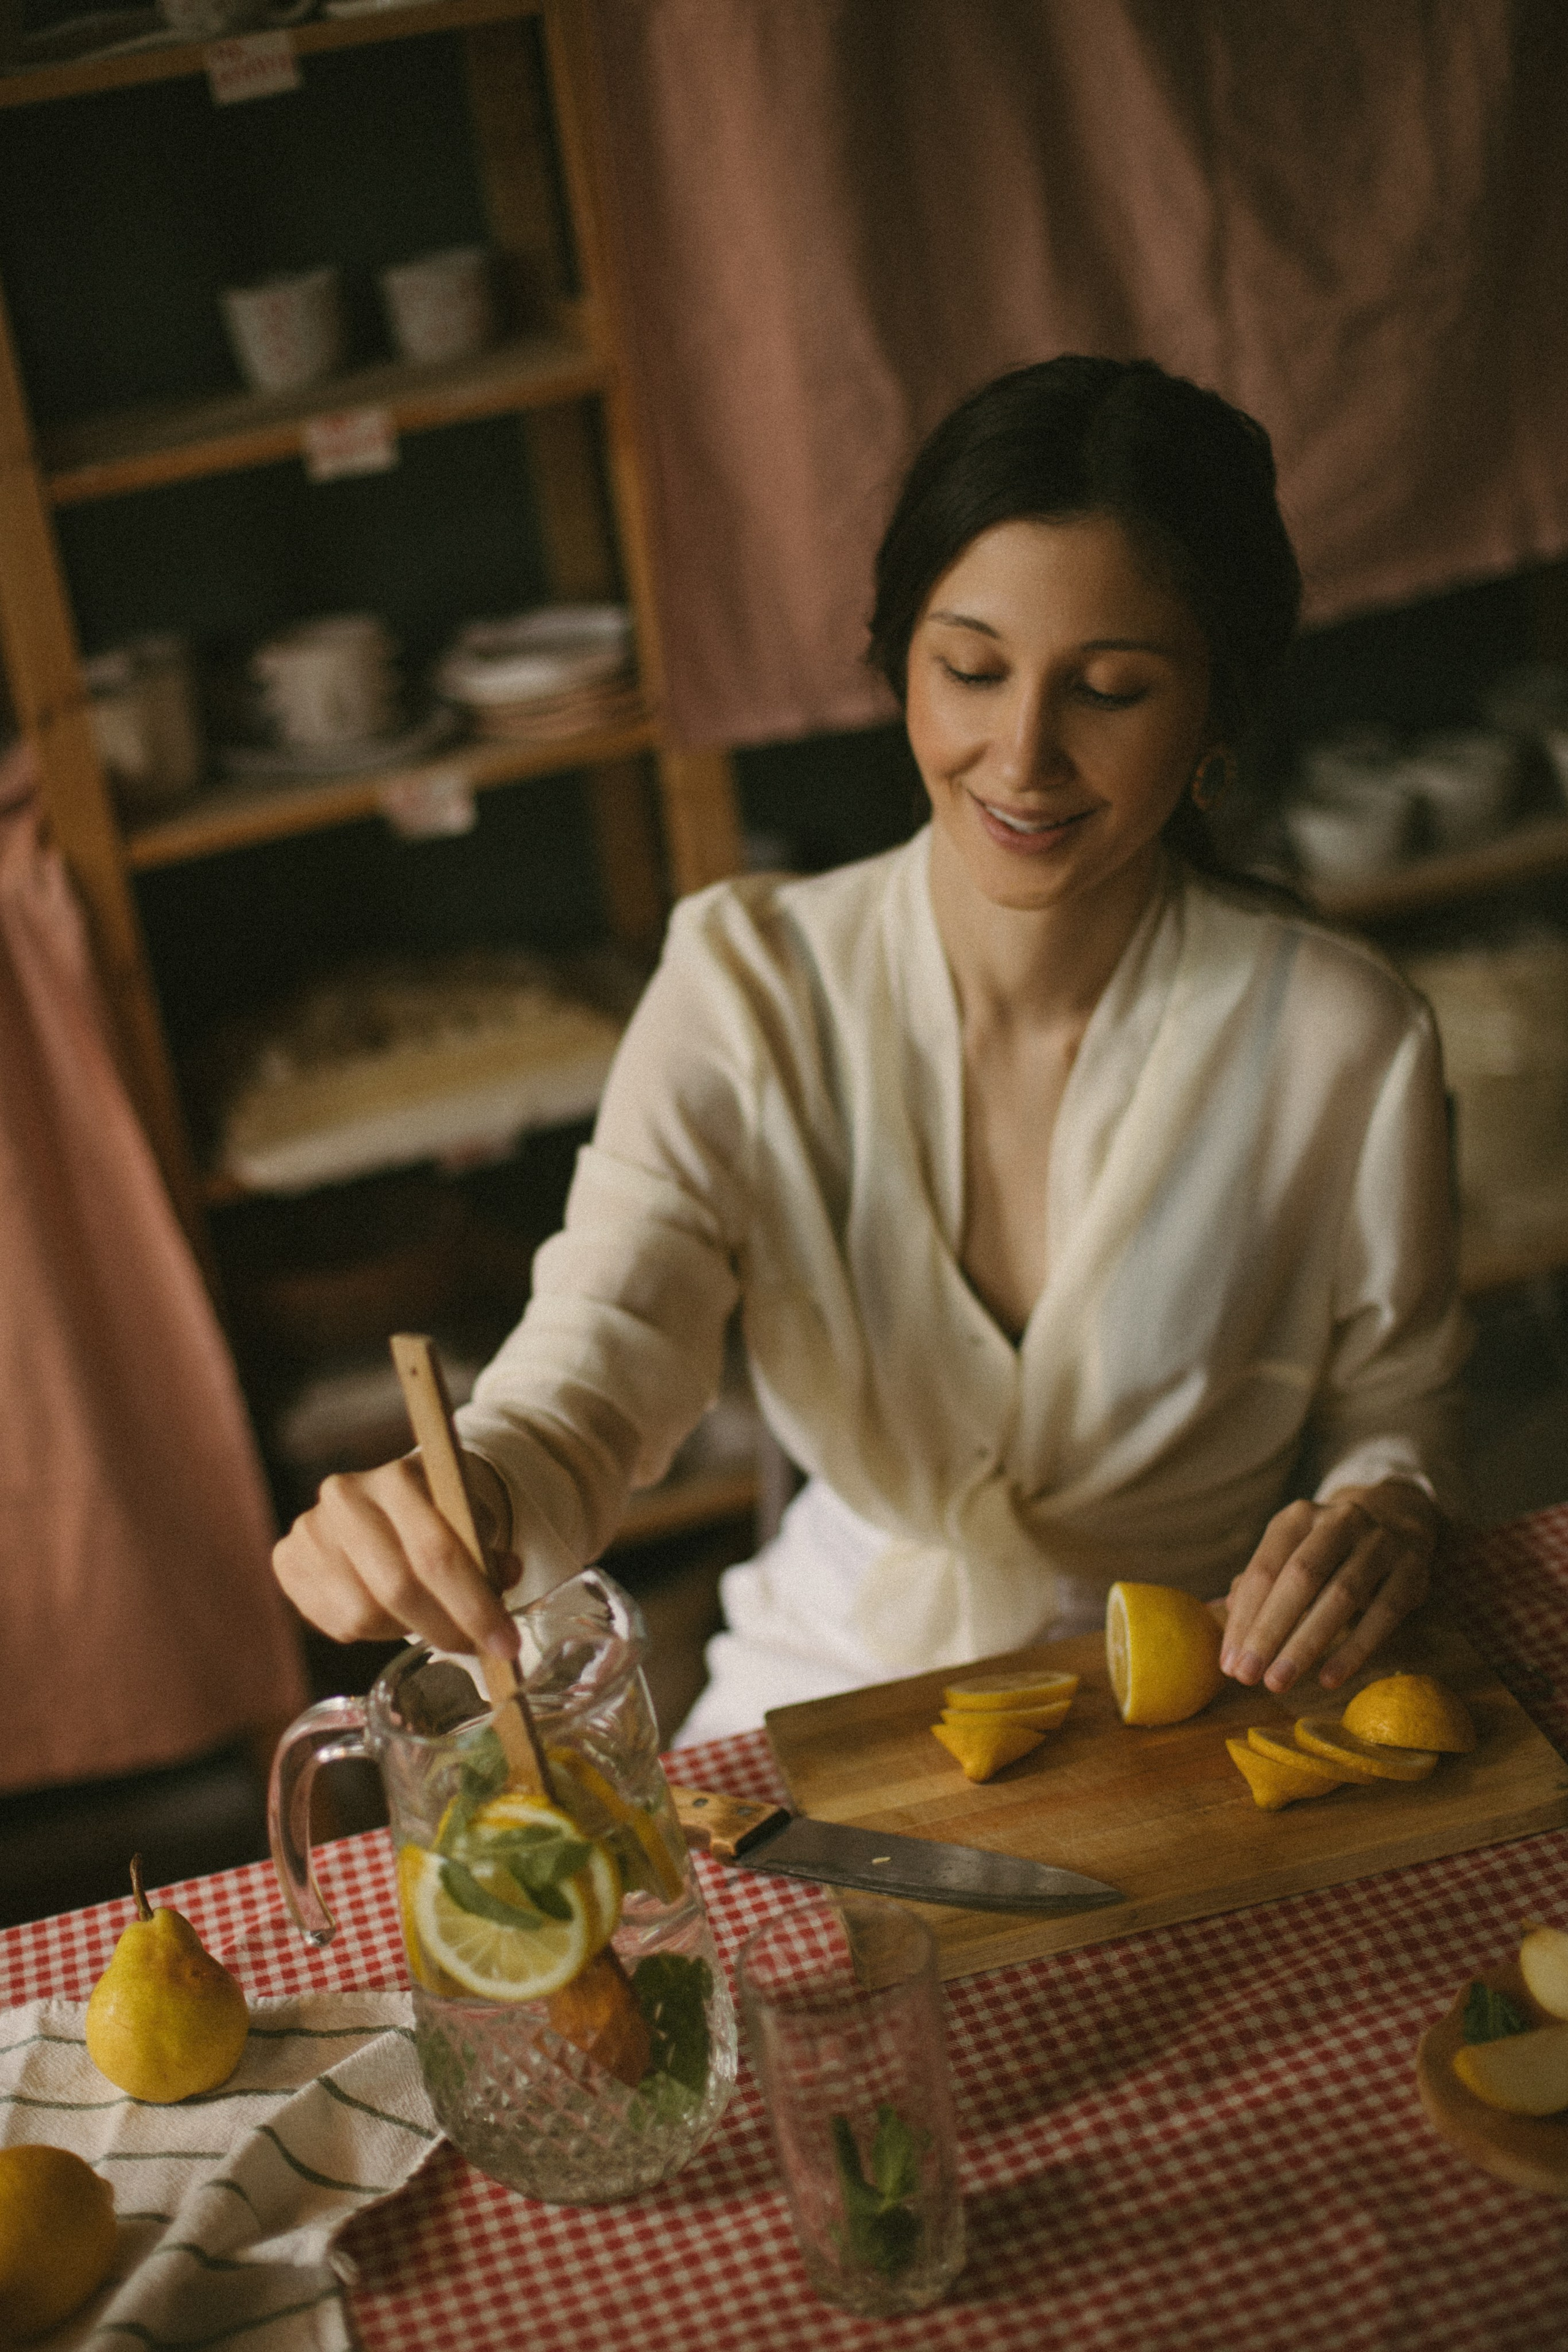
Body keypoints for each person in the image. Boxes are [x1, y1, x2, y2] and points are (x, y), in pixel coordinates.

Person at [273, 356, 1467, 1740]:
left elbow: (1399, 1413)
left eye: (1110, 690)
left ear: (1214, 716)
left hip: (1190, 1690)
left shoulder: (1339, 1038)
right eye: (971, 671)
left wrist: (1383, 1511)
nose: (1021, 754)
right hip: (837, 1683)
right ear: (898, 663)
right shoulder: (750, 988)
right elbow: (597, 1362)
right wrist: (466, 1496)